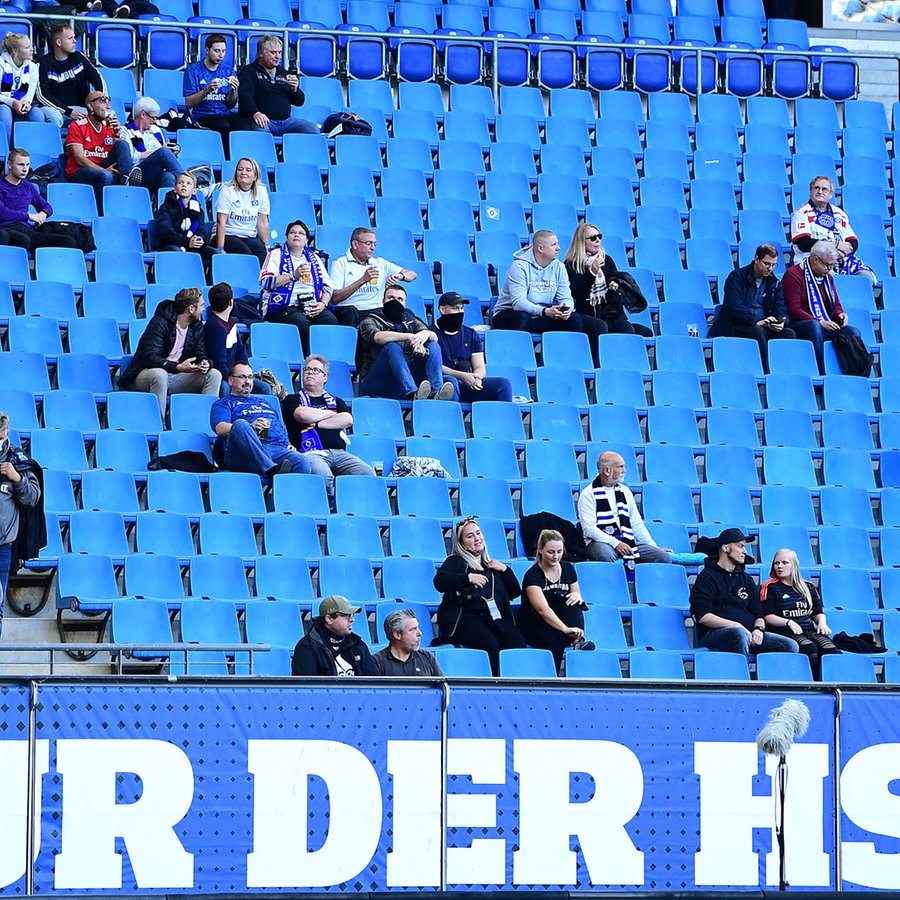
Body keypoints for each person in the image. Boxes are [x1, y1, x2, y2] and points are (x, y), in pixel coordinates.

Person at [491, 230, 604, 367]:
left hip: (543, 314)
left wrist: (565, 308)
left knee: (579, 320)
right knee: (522, 317)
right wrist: (544, 311)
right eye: (554, 245)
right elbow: (518, 303)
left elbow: (566, 296)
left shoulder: (559, 267)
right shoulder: (519, 267)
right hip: (510, 315)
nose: (559, 248)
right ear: (540, 248)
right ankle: (521, 363)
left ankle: (578, 367)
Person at [434, 517, 527, 676]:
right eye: (470, 536)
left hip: (494, 618)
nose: (477, 538)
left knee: (517, 643)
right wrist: (467, 578)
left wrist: (505, 570)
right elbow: (439, 582)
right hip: (466, 618)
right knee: (490, 646)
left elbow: (514, 592)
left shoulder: (491, 566)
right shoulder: (456, 561)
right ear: (461, 543)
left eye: (478, 533)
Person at [689, 527, 799, 659]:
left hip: (749, 633)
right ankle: (742, 677)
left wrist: (758, 629)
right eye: (740, 546)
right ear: (725, 548)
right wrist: (737, 626)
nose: (745, 551)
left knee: (790, 645)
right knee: (738, 634)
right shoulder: (707, 577)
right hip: (714, 634)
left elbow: (758, 613)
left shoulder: (746, 578)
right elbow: (703, 616)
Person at [118, 287, 221, 418]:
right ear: (191, 309)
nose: (203, 309)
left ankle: (205, 423)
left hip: (174, 377)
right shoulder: (160, 323)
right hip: (145, 376)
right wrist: (177, 367)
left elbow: (200, 353)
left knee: (213, 374)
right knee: (160, 374)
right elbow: (150, 356)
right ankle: (157, 424)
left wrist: (205, 363)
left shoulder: (196, 326)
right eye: (201, 305)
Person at [282, 354, 375, 499]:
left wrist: (317, 422)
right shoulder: (292, 399)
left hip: (339, 453)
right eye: (307, 369)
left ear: (325, 378)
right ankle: (330, 510)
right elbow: (302, 415)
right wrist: (331, 414)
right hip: (310, 453)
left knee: (368, 474)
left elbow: (348, 419)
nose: (310, 372)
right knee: (324, 475)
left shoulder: (336, 401)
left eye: (315, 370)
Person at [210, 361, 311, 478]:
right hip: (244, 453)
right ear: (231, 380)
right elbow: (220, 428)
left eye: (250, 377)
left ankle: (289, 495)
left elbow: (279, 425)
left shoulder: (264, 402)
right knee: (240, 424)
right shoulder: (224, 403)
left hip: (276, 449)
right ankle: (270, 469)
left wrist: (288, 444)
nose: (247, 381)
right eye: (242, 377)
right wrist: (250, 426)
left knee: (301, 462)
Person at [358, 284, 454, 401]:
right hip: (377, 382)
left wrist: (424, 335)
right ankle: (412, 392)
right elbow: (378, 337)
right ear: (383, 300)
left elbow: (433, 336)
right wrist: (409, 336)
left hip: (401, 381)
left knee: (433, 345)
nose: (395, 302)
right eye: (391, 298)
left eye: (400, 299)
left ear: (405, 303)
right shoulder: (370, 320)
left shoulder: (410, 320)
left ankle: (436, 392)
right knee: (392, 347)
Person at [710, 243, 796, 373]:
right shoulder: (736, 277)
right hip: (736, 325)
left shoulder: (774, 282)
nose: (770, 269)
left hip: (763, 325)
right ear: (756, 259)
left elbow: (781, 307)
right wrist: (755, 321)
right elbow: (733, 306)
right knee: (758, 331)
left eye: (774, 265)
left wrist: (780, 321)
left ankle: (784, 372)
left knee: (789, 333)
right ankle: (765, 371)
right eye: (767, 264)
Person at [577, 451, 672, 565]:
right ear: (607, 471)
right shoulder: (588, 494)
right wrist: (616, 543)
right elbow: (589, 529)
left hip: (627, 539)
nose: (624, 471)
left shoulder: (625, 491)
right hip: (600, 542)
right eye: (620, 467)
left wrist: (654, 547)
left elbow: (636, 524)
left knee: (663, 557)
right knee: (604, 554)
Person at [259, 218, 338, 355]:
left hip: (312, 304)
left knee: (329, 320)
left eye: (301, 233)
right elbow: (265, 281)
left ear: (307, 239)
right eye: (293, 232)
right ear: (287, 237)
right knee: (301, 323)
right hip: (284, 306)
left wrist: (323, 304)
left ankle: (325, 362)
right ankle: (307, 361)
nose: (297, 235)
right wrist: (293, 276)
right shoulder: (275, 255)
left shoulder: (314, 258)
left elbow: (327, 286)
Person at [783, 240, 863, 374]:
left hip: (824, 322)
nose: (830, 269)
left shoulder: (828, 277)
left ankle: (853, 374)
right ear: (815, 260)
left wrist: (840, 315)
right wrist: (820, 322)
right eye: (828, 265)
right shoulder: (793, 275)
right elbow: (794, 309)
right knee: (814, 327)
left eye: (832, 265)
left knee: (853, 332)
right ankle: (819, 370)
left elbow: (836, 304)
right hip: (799, 323)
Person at [517, 529, 591, 671]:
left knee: (573, 601)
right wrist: (565, 629)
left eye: (559, 551)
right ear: (540, 550)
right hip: (536, 623)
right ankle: (553, 679)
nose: (555, 556)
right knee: (556, 639)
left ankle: (578, 638)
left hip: (560, 619)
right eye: (551, 552)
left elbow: (576, 594)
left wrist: (578, 596)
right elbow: (542, 610)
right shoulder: (532, 575)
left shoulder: (568, 568)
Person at [761, 548, 839, 680]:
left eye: (784, 563)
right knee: (809, 648)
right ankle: (814, 684)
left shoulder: (807, 586)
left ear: (794, 565)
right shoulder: (770, 586)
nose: (779, 566)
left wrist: (822, 623)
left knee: (830, 648)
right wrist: (789, 622)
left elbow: (817, 612)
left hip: (808, 629)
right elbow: (768, 617)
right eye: (776, 563)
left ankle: (830, 683)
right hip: (784, 630)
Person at [563, 223, 652, 337]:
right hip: (589, 313)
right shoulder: (572, 264)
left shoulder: (607, 260)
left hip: (612, 313)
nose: (597, 240)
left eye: (599, 236)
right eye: (593, 238)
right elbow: (577, 292)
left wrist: (614, 284)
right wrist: (592, 272)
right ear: (581, 241)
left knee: (629, 330)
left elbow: (614, 289)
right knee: (600, 327)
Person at [429, 291, 512, 403]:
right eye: (455, 308)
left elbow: (479, 366)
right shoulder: (430, 333)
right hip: (443, 381)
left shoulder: (471, 334)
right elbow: (435, 366)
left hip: (467, 383)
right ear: (442, 310)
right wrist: (463, 376)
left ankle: (501, 419)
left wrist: (476, 378)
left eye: (461, 308)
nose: (459, 312)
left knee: (503, 384)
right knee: (451, 382)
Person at [791, 174, 876, 283]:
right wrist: (835, 245)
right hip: (814, 259)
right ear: (810, 191)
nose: (820, 191)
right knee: (830, 277)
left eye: (824, 189)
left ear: (831, 194)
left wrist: (842, 253)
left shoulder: (839, 214)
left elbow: (853, 241)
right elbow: (803, 243)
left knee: (866, 278)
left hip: (841, 259)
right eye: (816, 188)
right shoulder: (802, 213)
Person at [329, 226, 418, 327]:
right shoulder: (340, 263)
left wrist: (400, 276)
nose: (372, 248)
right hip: (351, 310)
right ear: (355, 244)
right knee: (350, 311)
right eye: (368, 243)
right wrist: (362, 280)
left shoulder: (379, 262)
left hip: (376, 310)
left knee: (405, 311)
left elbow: (413, 275)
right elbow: (335, 298)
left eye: (374, 244)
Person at [0, 410, 40, 624]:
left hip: (2, 547)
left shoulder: (17, 458)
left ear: (6, 434)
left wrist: (16, 478)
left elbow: (33, 498)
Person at [237, 34, 317, 137]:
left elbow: (299, 101)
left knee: (312, 129)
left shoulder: (284, 73)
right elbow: (245, 96)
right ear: (261, 53)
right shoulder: (249, 71)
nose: (278, 57)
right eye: (273, 53)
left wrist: (294, 90)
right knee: (262, 134)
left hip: (286, 121)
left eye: (279, 53)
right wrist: (255, 113)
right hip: (263, 121)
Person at [64, 90, 134, 205]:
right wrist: (104, 170)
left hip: (103, 165)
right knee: (106, 175)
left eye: (108, 102)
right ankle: (102, 213)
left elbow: (115, 152)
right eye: (103, 101)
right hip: (80, 171)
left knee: (122, 144)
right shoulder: (77, 125)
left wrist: (116, 133)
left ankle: (126, 182)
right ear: (91, 106)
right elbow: (79, 159)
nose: (108, 106)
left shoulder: (109, 126)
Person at [0, 147, 77, 250]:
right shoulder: (1, 185)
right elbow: (3, 213)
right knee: (22, 240)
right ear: (9, 165)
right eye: (20, 165)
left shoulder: (28, 186)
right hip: (6, 228)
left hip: (26, 229)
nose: (25, 169)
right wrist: (29, 216)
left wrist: (42, 214)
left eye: (27, 165)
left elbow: (47, 206)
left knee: (68, 241)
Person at [203, 282, 271, 395]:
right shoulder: (215, 327)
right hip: (226, 376)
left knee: (265, 388)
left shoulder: (231, 322)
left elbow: (241, 350)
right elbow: (219, 364)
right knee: (225, 388)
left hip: (236, 374)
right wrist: (236, 378)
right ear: (231, 302)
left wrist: (246, 375)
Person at [291, 594, 378, 677]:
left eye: (351, 615)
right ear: (329, 619)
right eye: (345, 615)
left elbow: (374, 682)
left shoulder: (357, 644)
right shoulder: (307, 647)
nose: (352, 620)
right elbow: (307, 688)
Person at [183, 33, 251, 134]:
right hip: (202, 114)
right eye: (217, 51)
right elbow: (189, 103)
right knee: (222, 125)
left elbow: (231, 105)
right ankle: (224, 150)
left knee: (245, 126)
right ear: (207, 50)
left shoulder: (228, 70)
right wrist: (207, 90)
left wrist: (233, 90)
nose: (221, 55)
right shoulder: (193, 70)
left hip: (225, 113)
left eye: (223, 51)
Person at [37, 24, 104, 124]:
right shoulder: (43, 64)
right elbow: (42, 95)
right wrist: (68, 111)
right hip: (54, 109)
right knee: (55, 117)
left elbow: (97, 79)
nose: (75, 41)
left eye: (74, 37)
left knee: (98, 115)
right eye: (70, 38)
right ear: (58, 42)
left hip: (79, 108)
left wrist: (99, 101)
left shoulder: (79, 57)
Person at [0, 33, 62, 140]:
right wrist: (13, 102)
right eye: (27, 47)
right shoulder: (1, 63)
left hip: (20, 104)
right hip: (4, 103)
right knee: (5, 111)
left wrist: (26, 103)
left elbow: (30, 93)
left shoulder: (32, 67)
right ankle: (4, 151)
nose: (32, 49)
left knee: (37, 114)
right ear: (15, 51)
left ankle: (33, 150)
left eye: (31, 46)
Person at [120, 95, 184, 191]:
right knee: (163, 152)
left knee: (168, 176)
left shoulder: (154, 131)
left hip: (156, 171)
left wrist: (170, 153)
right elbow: (130, 157)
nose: (154, 121)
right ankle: (187, 182)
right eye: (153, 118)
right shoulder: (125, 131)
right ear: (142, 114)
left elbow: (161, 153)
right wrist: (157, 153)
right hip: (138, 173)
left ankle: (170, 205)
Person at [153, 170, 214, 267]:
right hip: (169, 245)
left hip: (190, 244)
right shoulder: (166, 207)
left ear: (194, 191)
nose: (184, 185)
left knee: (215, 254)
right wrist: (187, 241)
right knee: (178, 253)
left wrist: (199, 239)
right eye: (180, 183)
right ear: (175, 189)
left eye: (188, 183)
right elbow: (165, 232)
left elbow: (202, 232)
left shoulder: (199, 211)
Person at [214, 156, 269, 265]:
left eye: (248, 170)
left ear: (255, 176)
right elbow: (221, 222)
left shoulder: (261, 191)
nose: (243, 172)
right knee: (247, 255)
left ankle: (260, 281)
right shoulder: (227, 190)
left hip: (249, 236)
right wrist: (220, 248)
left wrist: (266, 245)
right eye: (240, 169)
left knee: (261, 253)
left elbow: (262, 221)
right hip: (228, 235)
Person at [372, 608, 444, 677]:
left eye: (418, 628)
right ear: (397, 635)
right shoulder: (377, 662)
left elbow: (443, 687)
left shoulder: (427, 657)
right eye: (413, 629)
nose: (420, 633)